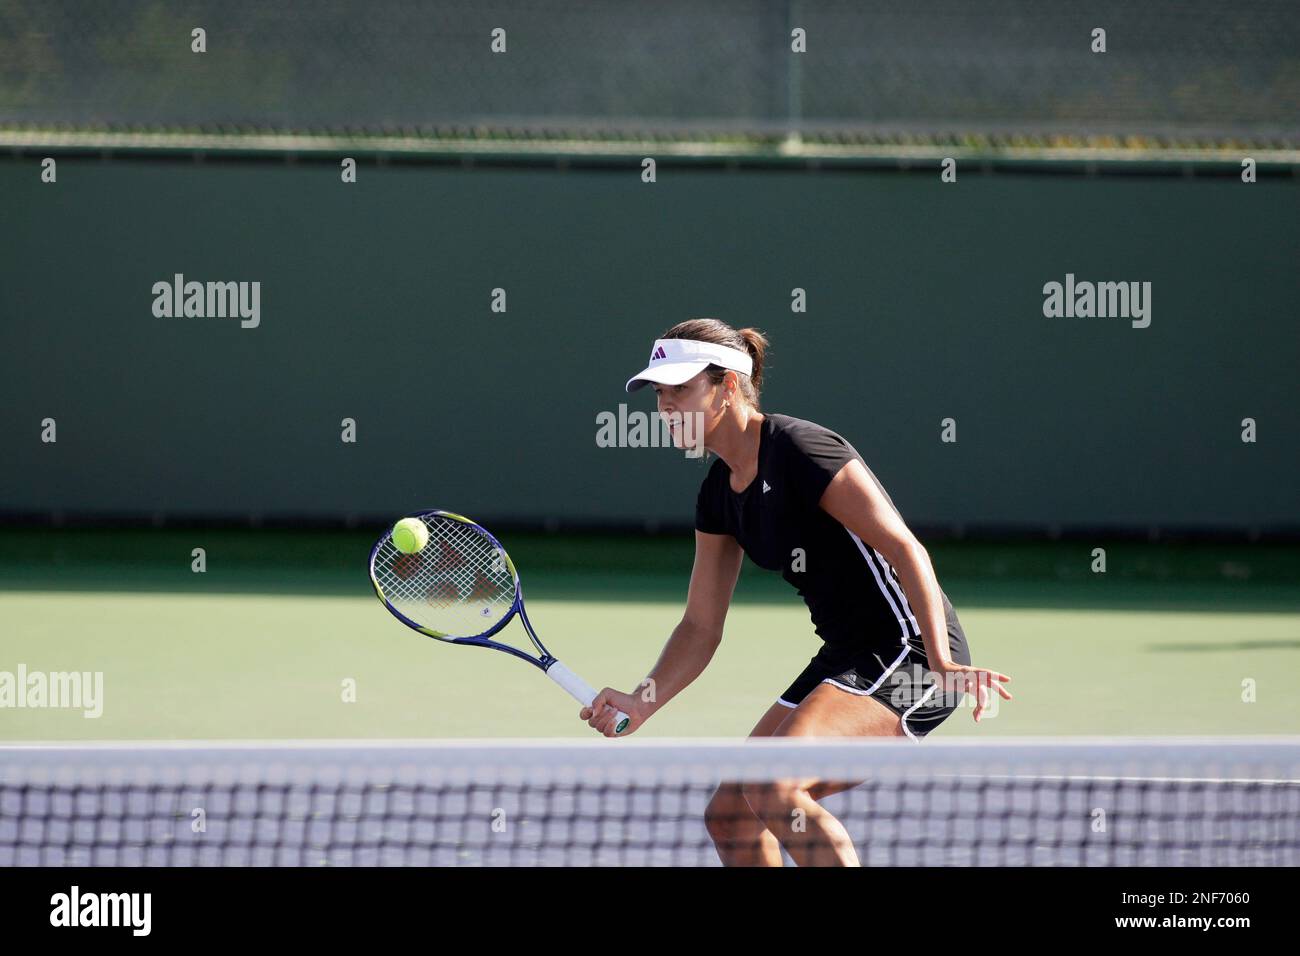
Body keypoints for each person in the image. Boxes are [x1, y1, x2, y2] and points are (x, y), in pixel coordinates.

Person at [582, 318, 1012, 865]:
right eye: (660, 394)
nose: (666, 408)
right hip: (846, 656)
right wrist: (642, 701)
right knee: (732, 816)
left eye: (680, 390)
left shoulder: (803, 450)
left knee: (777, 790)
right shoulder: (717, 492)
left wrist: (945, 666)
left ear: (728, 387)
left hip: (914, 657)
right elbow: (700, 625)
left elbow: (907, 551)